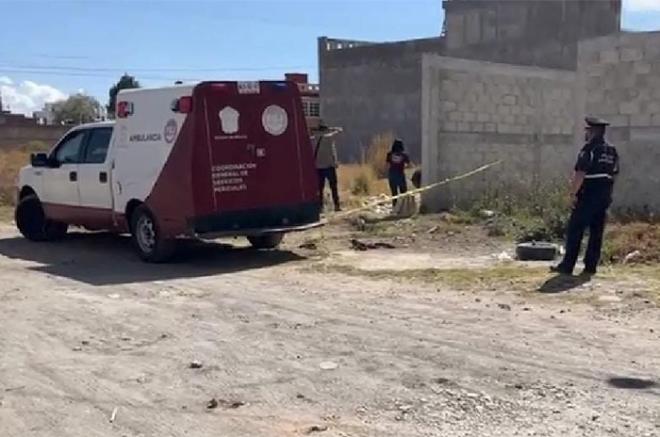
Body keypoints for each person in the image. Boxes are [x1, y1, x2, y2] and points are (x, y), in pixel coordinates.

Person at [551, 116, 619, 277]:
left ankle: (567, 266)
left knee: (576, 229)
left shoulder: (589, 149)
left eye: (587, 130)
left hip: (588, 194)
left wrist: (572, 194)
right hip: (603, 195)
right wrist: (607, 193)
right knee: (596, 233)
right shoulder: (611, 150)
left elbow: (580, 173)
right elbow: (614, 174)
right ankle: (590, 267)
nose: (585, 133)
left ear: (593, 131)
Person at [313, 123, 343, 212]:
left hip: (318, 167)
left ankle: (320, 207)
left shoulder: (314, 139)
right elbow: (340, 131)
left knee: (319, 188)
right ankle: (337, 206)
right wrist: (333, 128)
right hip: (329, 166)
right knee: (333, 187)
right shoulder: (329, 138)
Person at [386, 139, 411, 207]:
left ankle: (395, 208)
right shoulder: (404, 155)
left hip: (392, 175)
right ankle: (403, 208)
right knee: (403, 193)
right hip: (400, 175)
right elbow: (409, 164)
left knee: (394, 194)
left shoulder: (389, 154)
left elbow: (387, 165)